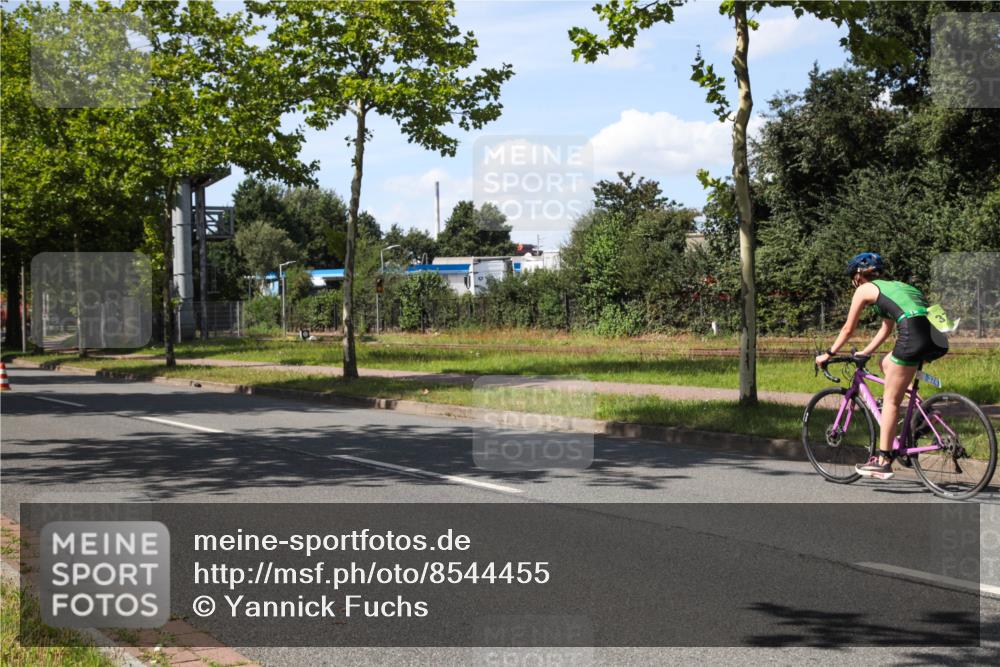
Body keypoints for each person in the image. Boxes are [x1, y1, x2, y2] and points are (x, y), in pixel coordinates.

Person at [814, 252, 948, 480]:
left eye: (852, 277)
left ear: (857, 276)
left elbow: (848, 329)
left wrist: (828, 353)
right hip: (937, 337)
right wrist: (865, 352)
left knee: (890, 401)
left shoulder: (864, 289)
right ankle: (926, 414)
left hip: (914, 334)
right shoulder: (896, 287)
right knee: (886, 363)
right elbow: (886, 328)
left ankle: (883, 461)